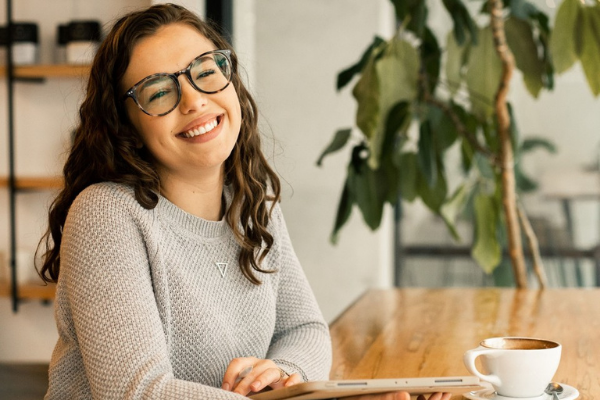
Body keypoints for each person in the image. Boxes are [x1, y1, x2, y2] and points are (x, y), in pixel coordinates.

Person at [38, 4, 450, 400]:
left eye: (205, 71)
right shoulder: (106, 214)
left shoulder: (254, 203)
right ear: (124, 122)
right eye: (159, 91)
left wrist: (286, 376)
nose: (194, 100)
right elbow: (137, 392)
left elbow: (304, 329)